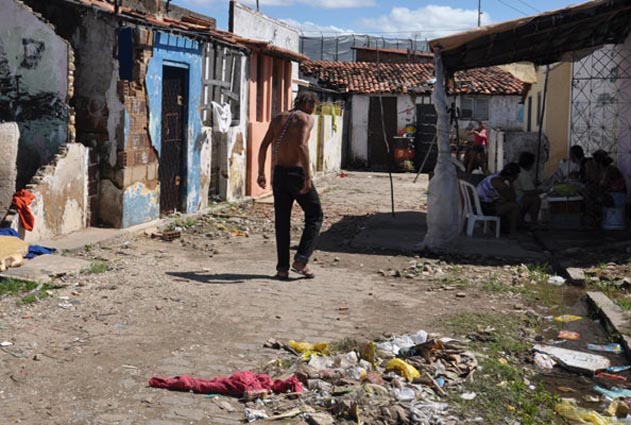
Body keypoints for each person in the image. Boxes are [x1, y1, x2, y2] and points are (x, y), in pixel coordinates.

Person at [257, 91, 323, 280]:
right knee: (315, 215)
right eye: (314, 106)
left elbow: (264, 146)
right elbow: (302, 146)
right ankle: (301, 260)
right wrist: (308, 177)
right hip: (297, 174)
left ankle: (282, 269)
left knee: (282, 222)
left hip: (279, 174)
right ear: (309, 104)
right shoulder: (305, 119)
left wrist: (261, 172)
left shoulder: (278, 118)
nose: (313, 110)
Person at [476, 163, 521, 235]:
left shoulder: (495, 176)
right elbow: (512, 198)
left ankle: (500, 227)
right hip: (484, 208)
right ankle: (513, 233)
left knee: (507, 203)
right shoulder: (500, 184)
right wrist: (511, 183)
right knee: (515, 206)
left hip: (480, 204)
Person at [513, 152, 542, 225]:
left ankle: (522, 220)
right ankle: (533, 223)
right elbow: (528, 192)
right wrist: (540, 190)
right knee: (536, 199)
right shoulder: (523, 174)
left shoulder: (517, 168)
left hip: (513, 195)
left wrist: (533, 184)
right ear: (529, 164)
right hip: (517, 198)